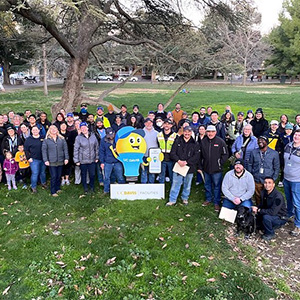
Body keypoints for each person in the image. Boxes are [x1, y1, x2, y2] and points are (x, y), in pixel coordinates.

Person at [166, 126, 200, 206]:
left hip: (189, 167)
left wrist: (187, 162)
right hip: (178, 166)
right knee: (175, 183)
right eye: (185, 131)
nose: (187, 133)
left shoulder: (195, 143)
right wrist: (178, 161)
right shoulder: (177, 141)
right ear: (183, 132)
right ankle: (172, 200)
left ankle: (185, 198)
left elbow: (196, 156)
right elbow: (172, 153)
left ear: (191, 133)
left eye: (189, 132)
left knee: (187, 184)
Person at [199, 125, 229, 212]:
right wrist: (200, 166)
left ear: (215, 132)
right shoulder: (203, 141)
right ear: (206, 132)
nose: (210, 133)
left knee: (217, 186)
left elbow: (225, 154)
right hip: (206, 168)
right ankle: (208, 199)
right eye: (208, 132)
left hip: (217, 169)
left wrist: (220, 163)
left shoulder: (220, 141)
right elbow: (200, 155)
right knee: (207, 184)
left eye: (212, 132)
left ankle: (216, 202)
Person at [248, 136, 280, 206]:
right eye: (259, 140)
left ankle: (268, 211)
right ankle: (259, 209)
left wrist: (273, 179)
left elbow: (277, 168)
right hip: (257, 178)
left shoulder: (274, 153)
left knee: (269, 197)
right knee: (258, 196)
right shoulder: (253, 152)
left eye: (263, 140)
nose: (260, 142)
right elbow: (250, 164)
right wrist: (251, 176)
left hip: (268, 179)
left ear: (267, 142)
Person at [42, 125, 69, 196]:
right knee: (54, 176)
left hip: (60, 160)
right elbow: (44, 151)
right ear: (49, 130)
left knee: (59, 175)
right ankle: (53, 191)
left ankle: (58, 188)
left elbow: (65, 149)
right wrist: (46, 160)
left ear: (57, 130)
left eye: (55, 128)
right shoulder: (46, 140)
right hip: (51, 161)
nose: (53, 130)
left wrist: (66, 158)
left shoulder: (62, 139)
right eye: (52, 129)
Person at [73, 122, 99, 193]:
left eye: (85, 127)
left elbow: (96, 147)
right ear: (80, 129)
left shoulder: (93, 136)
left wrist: (97, 157)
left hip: (92, 159)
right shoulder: (78, 138)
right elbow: (76, 149)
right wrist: (76, 160)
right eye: (82, 128)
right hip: (82, 160)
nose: (84, 129)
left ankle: (92, 187)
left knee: (92, 174)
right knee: (83, 174)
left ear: (87, 128)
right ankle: (85, 188)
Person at [283, 129, 300, 236]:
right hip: (286, 178)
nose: (296, 137)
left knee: (297, 203)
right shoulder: (288, 146)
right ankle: (289, 215)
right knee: (288, 199)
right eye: (295, 135)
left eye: (299, 135)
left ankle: (298, 225)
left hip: (297, 181)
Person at [99, 127, 125, 194]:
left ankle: (123, 190)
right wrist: (102, 162)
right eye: (109, 135)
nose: (111, 137)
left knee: (120, 176)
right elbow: (101, 152)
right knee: (106, 177)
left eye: (112, 135)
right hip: (107, 162)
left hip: (117, 161)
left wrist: (118, 150)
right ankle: (106, 191)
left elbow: (124, 149)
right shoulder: (103, 140)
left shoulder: (119, 140)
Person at [24, 126, 47, 193]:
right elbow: (26, 150)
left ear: (39, 130)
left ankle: (43, 183)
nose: (35, 131)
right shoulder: (29, 139)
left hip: (43, 158)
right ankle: (33, 187)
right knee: (35, 173)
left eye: (36, 130)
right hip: (34, 159)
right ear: (31, 131)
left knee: (42, 172)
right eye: (33, 130)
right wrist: (28, 158)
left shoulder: (43, 137)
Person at [157, 118, 177, 183]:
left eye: (168, 124)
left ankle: (172, 191)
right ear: (163, 125)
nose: (166, 125)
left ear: (171, 125)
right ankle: (160, 191)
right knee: (161, 176)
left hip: (171, 159)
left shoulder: (175, 135)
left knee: (172, 176)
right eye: (165, 124)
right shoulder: (159, 135)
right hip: (161, 158)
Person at [141, 118, 158, 183]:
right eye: (147, 123)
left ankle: (151, 186)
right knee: (143, 172)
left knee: (152, 173)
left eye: (150, 123)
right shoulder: (141, 133)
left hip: (153, 156)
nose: (148, 124)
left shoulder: (157, 133)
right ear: (144, 124)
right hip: (143, 155)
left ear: (152, 123)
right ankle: (143, 186)